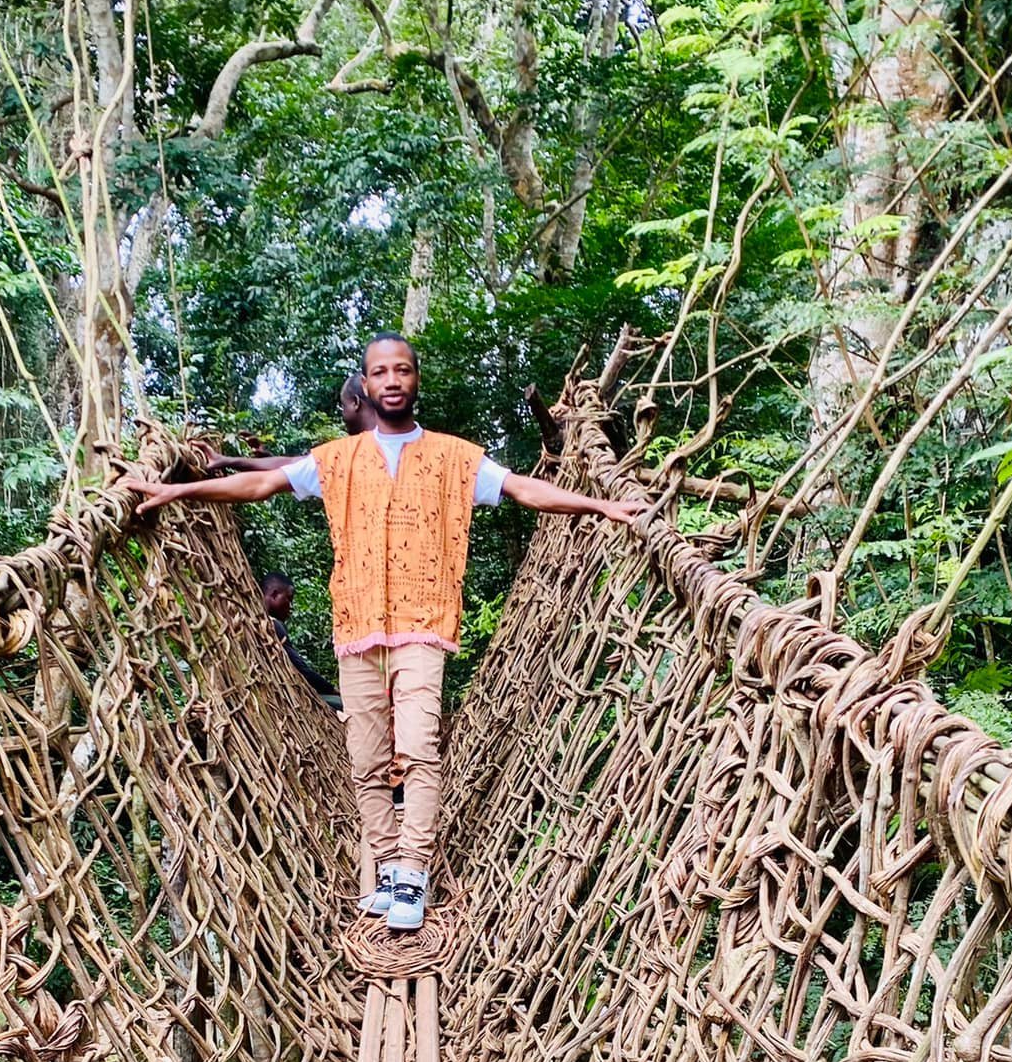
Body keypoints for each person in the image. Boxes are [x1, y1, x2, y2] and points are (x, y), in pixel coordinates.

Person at [118, 334, 640, 932]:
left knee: (418, 747)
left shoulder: (454, 458)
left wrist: (599, 507)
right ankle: (389, 869)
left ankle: (413, 873)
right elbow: (259, 484)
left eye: (403, 370)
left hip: (423, 624)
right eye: (380, 372)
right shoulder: (336, 460)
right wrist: (179, 491)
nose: (392, 380)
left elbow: (523, 488)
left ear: (416, 379)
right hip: (358, 627)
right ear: (366, 385)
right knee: (366, 760)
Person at [205, 374, 377, 474]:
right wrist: (268, 459)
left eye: (343, 406)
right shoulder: (388, 443)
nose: (343, 414)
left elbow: (294, 466)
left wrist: (225, 460)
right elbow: (296, 466)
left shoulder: (348, 455)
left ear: (355, 403)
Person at [263, 569, 341, 709]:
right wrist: (332, 690)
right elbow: (302, 670)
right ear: (274, 595)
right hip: (288, 698)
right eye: (289, 599)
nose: (290, 606)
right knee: (343, 704)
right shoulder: (274, 625)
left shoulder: (254, 622)